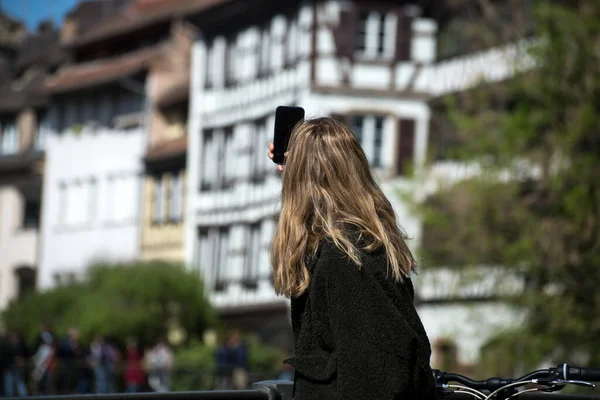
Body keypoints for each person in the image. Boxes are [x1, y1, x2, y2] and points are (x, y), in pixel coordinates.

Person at [267, 118, 437, 400]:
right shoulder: (352, 248)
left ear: (301, 181)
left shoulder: (345, 261)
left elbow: (373, 377)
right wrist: (300, 155)